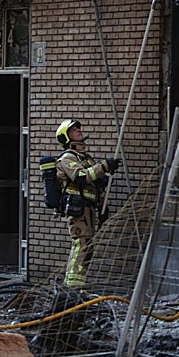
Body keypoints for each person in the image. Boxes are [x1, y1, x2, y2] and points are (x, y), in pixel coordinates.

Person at [54, 118, 121, 289]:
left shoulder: (86, 158)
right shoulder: (67, 158)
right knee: (81, 244)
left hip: (89, 208)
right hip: (77, 209)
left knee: (88, 246)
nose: (78, 130)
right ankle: (72, 286)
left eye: (78, 128)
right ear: (66, 137)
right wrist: (104, 166)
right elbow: (81, 177)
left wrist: (102, 206)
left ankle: (79, 283)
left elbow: (94, 185)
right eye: (73, 129)